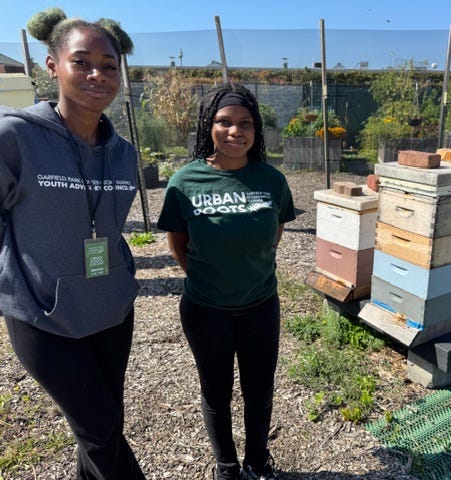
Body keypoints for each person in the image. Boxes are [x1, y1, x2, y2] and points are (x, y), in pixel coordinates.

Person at [0, 8, 146, 479]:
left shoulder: (124, 154)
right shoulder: (15, 137)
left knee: (103, 424)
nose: (97, 74)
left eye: (108, 65)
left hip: (110, 311)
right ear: (51, 66)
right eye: (81, 62)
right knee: (102, 433)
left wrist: (123, 280)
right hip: (43, 318)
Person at [157, 83, 296, 480]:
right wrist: (211, 278)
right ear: (209, 126)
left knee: (259, 391)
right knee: (216, 392)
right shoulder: (185, 181)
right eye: (225, 122)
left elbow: (274, 234)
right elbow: (178, 244)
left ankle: (257, 460)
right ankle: (226, 465)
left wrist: (247, 268)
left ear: (257, 131)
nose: (235, 131)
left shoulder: (272, 180)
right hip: (206, 311)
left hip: (260, 307)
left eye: (245, 123)